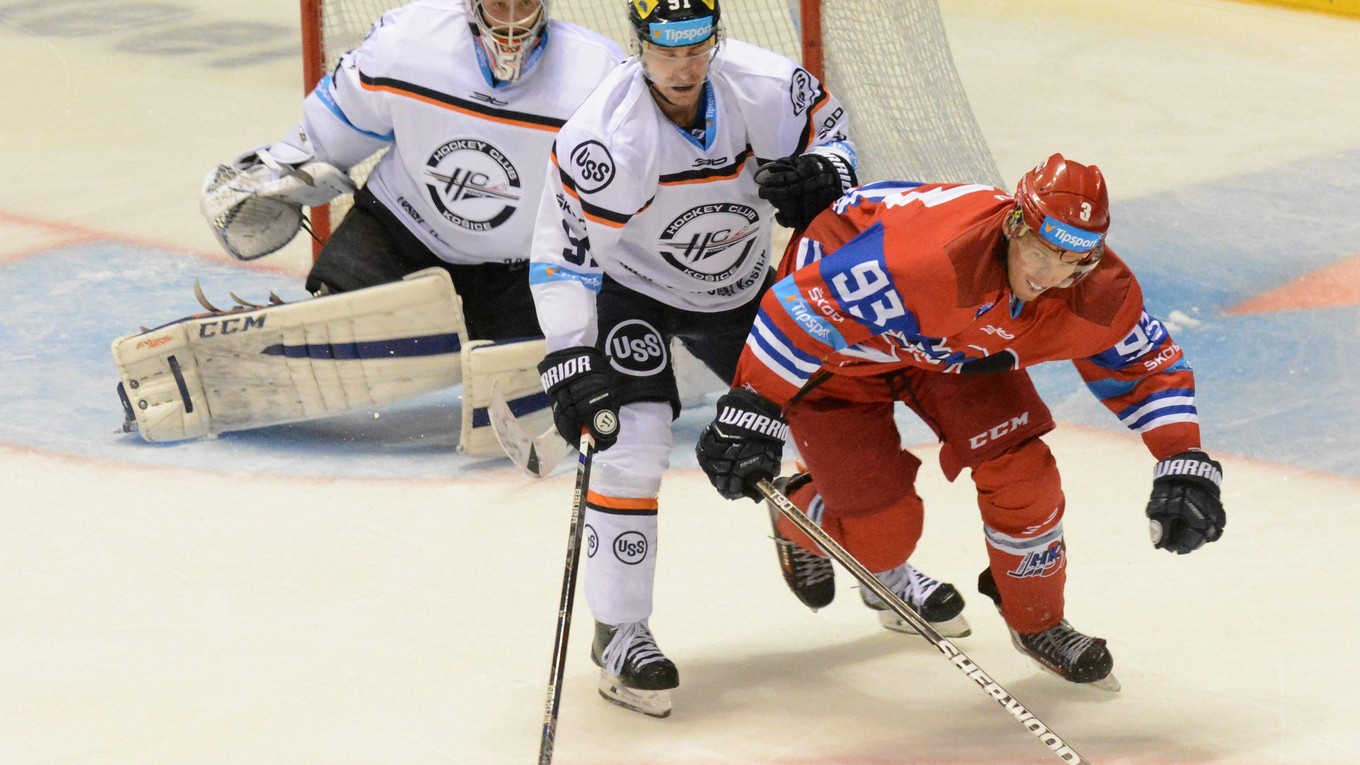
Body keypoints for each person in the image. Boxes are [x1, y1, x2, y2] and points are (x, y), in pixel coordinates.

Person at [694, 154, 1227, 691]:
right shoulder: (924, 259)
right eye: (1041, 252)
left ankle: (1038, 621)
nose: (1049, 276)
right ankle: (797, 514)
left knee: (1025, 475)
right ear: (1015, 225)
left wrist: (1181, 459)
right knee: (883, 546)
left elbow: (1144, 363)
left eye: (1074, 261)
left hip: (952, 353)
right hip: (843, 356)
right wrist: (751, 411)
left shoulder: (1094, 288)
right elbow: (797, 310)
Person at [528, 0, 859, 717]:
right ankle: (619, 633)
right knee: (631, 442)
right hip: (635, 293)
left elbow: (834, 136)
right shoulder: (605, 138)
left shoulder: (766, 87)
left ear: (716, 39)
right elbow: (562, 258)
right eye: (666, 49)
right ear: (639, 43)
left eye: (697, 47)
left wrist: (828, 172)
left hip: (739, 288)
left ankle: (877, 556)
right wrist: (570, 359)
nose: (683, 67)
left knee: (835, 413)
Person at [203, 0, 623, 341]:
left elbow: (631, 188)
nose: (512, 23)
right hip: (404, 231)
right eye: (499, 4)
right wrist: (283, 172)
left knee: (559, 349)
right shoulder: (408, 42)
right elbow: (333, 134)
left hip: (526, 266)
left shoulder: (598, 75)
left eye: (525, 4)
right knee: (336, 320)